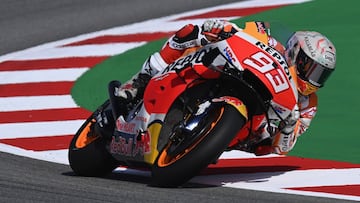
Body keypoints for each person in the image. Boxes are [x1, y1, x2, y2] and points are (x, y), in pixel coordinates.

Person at [110, 19, 337, 156]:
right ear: (296, 52)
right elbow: (240, 31)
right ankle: (140, 80)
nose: (314, 78)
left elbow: (282, 149)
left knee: (265, 142)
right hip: (226, 73)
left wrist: (288, 126)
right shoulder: (270, 41)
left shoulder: (308, 104)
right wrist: (222, 27)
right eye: (312, 68)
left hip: (249, 126)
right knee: (190, 33)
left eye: (321, 74)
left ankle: (202, 140)